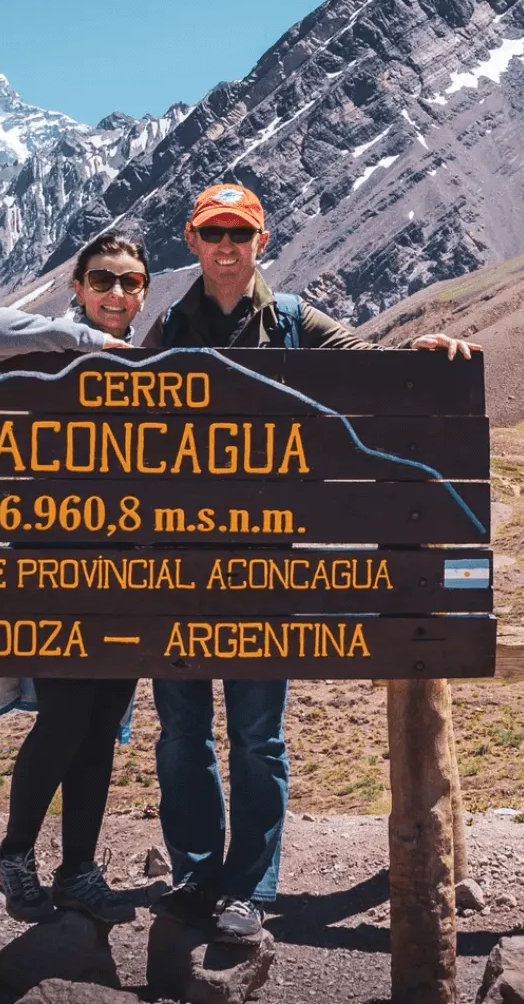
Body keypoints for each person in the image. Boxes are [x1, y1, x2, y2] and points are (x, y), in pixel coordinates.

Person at [141, 181, 482, 946]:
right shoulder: (169, 327)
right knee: (181, 732)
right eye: (212, 233)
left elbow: (368, 370)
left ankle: (248, 889)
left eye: (239, 234)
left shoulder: (294, 321)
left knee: (257, 736)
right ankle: (194, 875)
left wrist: (423, 358)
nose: (226, 247)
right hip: (177, 569)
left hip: (267, 569)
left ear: (261, 242)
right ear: (192, 242)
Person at [0, 231, 151, 926]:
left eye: (129, 282)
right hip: (53, 572)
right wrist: (82, 342)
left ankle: (79, 869)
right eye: (101, 279)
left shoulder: (152, 356)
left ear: (144, 293)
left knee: (101, 726)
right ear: (77, 287)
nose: (115, 293)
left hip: (127, 576)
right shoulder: (44, 346)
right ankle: (16, 853)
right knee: (67, 714)